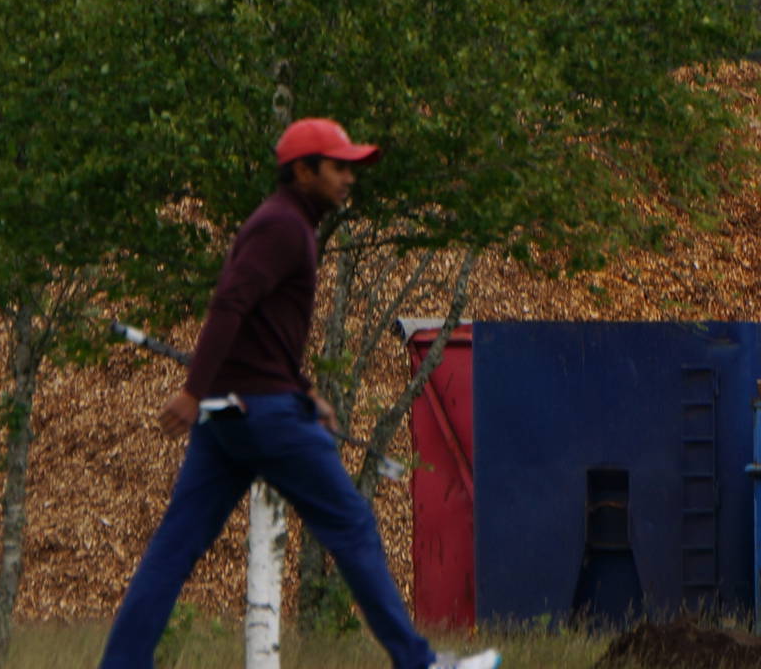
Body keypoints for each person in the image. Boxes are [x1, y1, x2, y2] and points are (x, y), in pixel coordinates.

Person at [97, 118, 500, 669]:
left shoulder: (283, 225)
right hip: (265, 417)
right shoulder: (283, 227)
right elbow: (229, 306)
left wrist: (305, 389)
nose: (348, 178)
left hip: (232, 415)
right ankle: (418, 662)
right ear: (303, 171)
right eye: (338, 167)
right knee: (352, 526)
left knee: (174, 549)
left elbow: (261, 332)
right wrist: (191, 392)